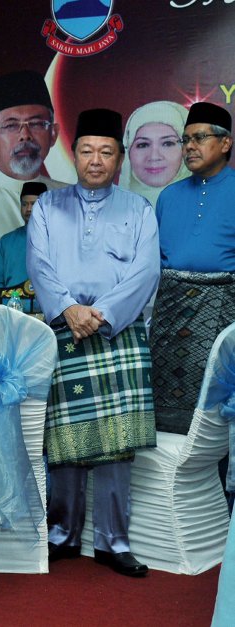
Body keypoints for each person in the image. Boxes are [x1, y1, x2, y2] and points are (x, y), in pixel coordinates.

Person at [27, 108, 160, 578]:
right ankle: (61, 535)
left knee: (118, 444)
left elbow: (146, 271)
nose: (96, 160)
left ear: (120, 159)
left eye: (106, 152)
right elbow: (39, 265)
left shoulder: (140, 209)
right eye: (87, 150)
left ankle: (114, 542)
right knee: (63, 441)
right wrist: (68, 308)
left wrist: (100, 314)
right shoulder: (47, 207)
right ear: (73, 154)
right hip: (63, 333)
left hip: (117, 333)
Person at [150, 102, 235, 434]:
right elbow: (154, 264)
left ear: (225, 143)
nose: (189, 147)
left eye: (199, 137)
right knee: (163, 418)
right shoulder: (168, 197)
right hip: (168, 320)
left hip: (222, 319)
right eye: (185, 140)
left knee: (215, 415)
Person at [0, 69, 67, 307]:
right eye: (11, 125)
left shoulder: (71, 200)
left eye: (37, 123)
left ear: (53, 135)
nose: (25, 135)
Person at [0, 181, 46, 311]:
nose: (28, 209)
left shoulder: (57, 242)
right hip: (13, 315)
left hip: (50, 320)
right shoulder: (6, 242)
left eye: (34, 204)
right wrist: (2, 310)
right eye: (24, 204)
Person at [119, 101, 189, 207]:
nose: (154, 157)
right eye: (143, 145)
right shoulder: (110, 206)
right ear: (128, 151)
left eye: (167, 143)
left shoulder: (207, 207)